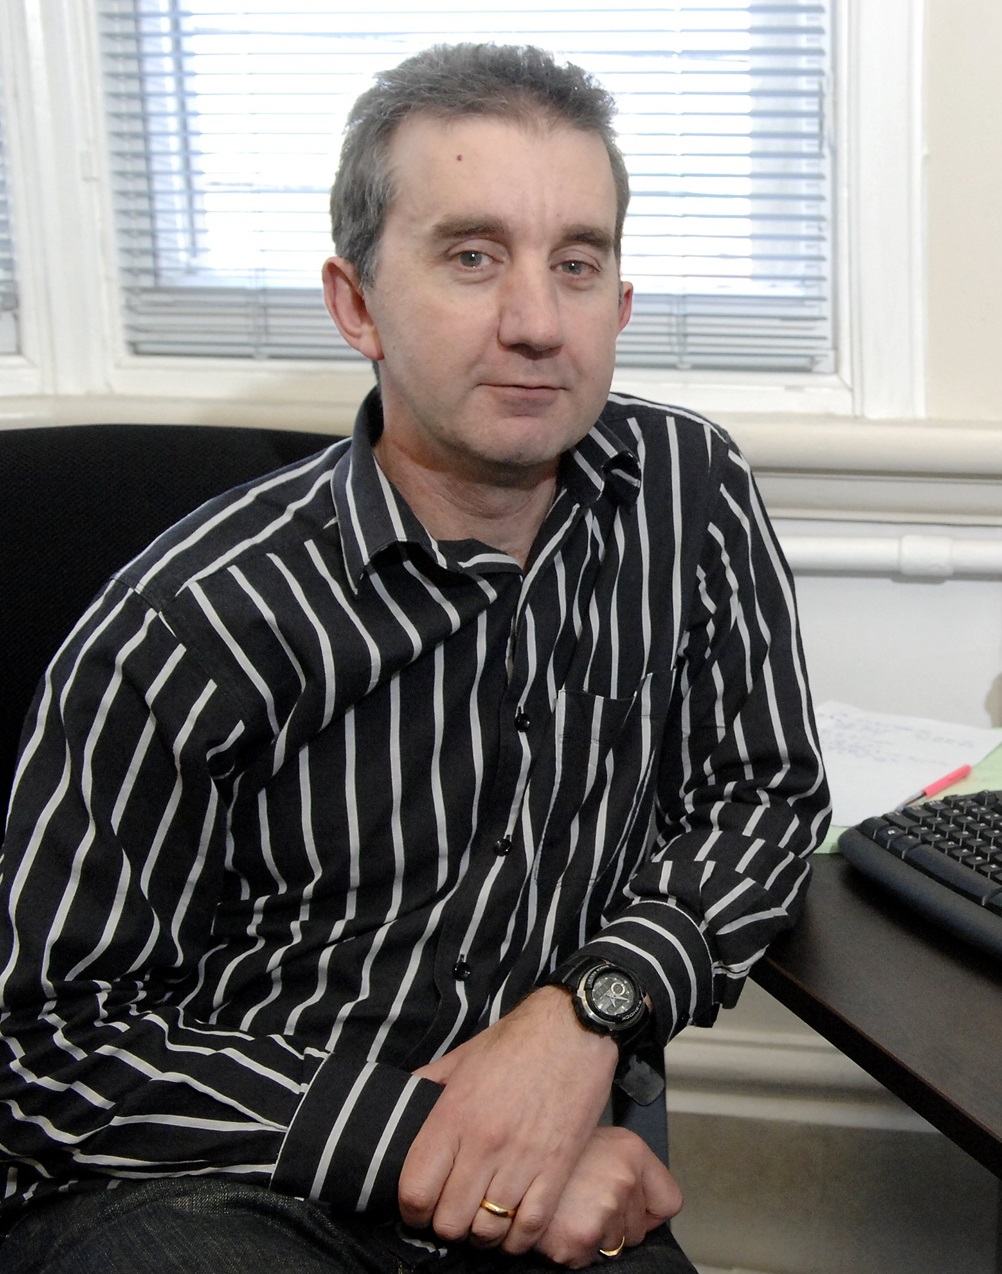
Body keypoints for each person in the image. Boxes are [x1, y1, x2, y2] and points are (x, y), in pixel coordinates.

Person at [0, 42, 829, 1273]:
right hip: (221, 1184)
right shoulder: (192, 621)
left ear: (622, 304)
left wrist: (589, 1012)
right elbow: (43, 1052)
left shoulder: (687, 496)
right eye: (471, 256)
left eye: (578, 264)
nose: (537, 321)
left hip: (548, 1137)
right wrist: (436, 1136)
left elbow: (764, 796)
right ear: (356, 303)